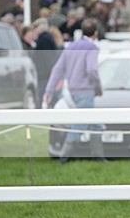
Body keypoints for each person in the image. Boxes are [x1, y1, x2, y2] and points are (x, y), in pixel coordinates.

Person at [43, 18, 105, 163]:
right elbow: (92, 70)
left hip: (73, 91)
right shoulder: (91, 48)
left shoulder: (71, 46)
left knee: (96, 124)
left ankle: (98, 156)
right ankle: (63, 158)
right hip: (86, 91)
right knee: (81, 124)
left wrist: (49, 91)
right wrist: (98, 87)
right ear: (95, 33)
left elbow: (57, 69)